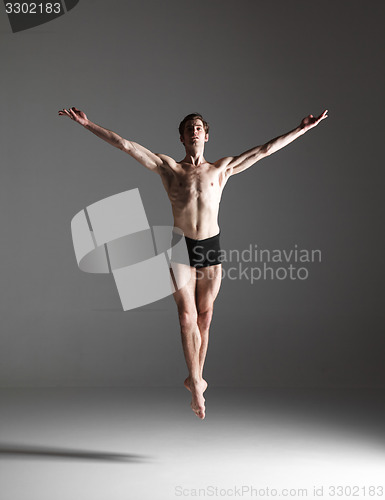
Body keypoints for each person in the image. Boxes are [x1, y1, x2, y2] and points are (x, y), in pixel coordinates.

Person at [58, 106, 328, 419]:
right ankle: (197, 383)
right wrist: (87, 124)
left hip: (211, 248)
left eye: (199, 127)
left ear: (206, 136)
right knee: (187, 317)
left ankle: (194, 377)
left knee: (206, 316)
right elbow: (126, 145)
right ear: (183, 138)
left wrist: (302, 129)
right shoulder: (169, 167)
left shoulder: (221, 169)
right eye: (190, 128)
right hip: (180, 248)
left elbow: (265, 150)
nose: (195, 131)